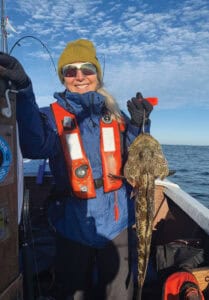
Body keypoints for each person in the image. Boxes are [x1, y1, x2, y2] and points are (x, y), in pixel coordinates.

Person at [0, 39, 153, 300]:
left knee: (120, 294)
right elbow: (36, 145)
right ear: (63, 78)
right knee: (72, 293)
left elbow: (138, 160)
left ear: (97, 75)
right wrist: (24, 91)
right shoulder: (50, 116)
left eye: (87, 70)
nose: (79, 77)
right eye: (70, 71)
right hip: (72, 225)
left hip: (118, 225)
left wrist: (140, 125)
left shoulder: (116, 117)